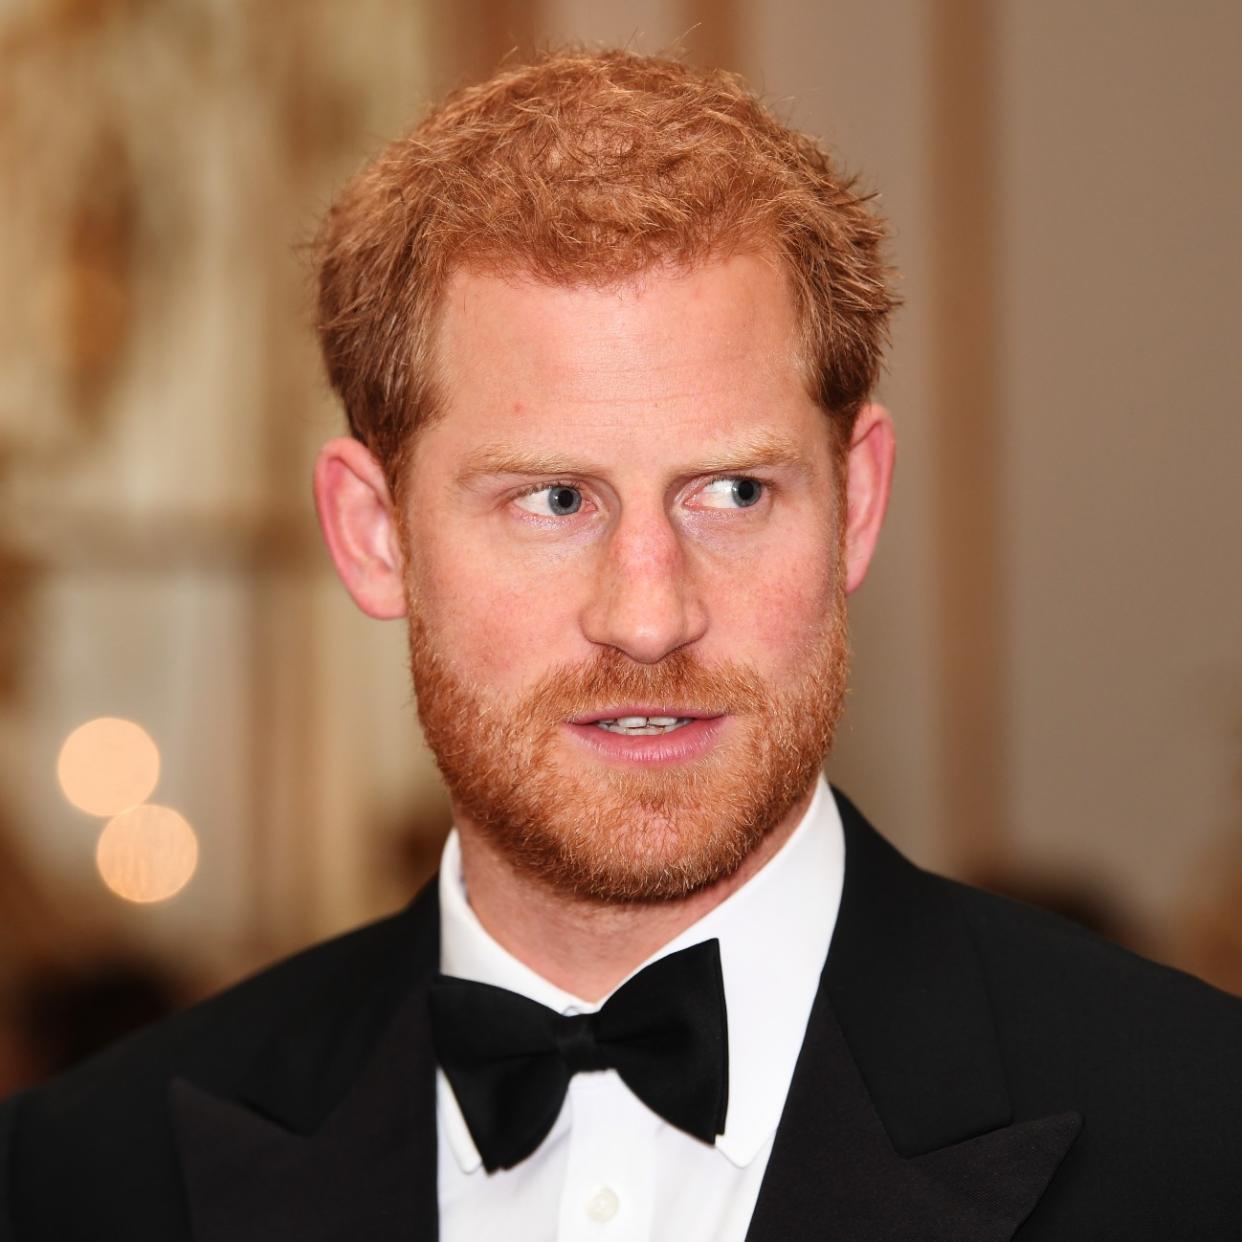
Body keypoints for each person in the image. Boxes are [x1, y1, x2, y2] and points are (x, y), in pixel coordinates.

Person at [2, 48, 1240, 1242]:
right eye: (554, 501)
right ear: (375, 535)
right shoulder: (78, 1184)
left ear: (857, 504)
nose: (650, 616)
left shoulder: (1202, 1143)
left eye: (735, 494)